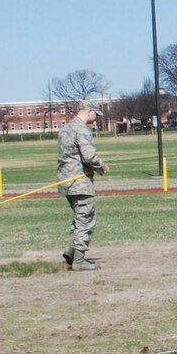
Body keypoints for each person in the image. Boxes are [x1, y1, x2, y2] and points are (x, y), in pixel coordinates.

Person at [56, 103, 108, 270]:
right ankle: (79, 261)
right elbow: (89, 156)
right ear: (90, 112)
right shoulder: (82, 129)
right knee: (86, 219)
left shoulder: (65, 129)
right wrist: (102, 166)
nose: (97, 119)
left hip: (66, 181)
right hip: (80, 183)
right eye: (96, 115)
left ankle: (70, 254)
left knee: (79, 218)